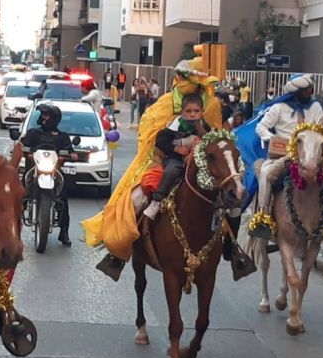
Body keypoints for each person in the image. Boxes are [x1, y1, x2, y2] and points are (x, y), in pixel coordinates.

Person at [84, 57, 222, 280]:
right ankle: (120, 250)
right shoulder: (166, 103)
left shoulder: (212, 104)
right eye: (182, 77)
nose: (183, 82)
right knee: (137, 197)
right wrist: (174, 151)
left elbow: (217, 136)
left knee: (228, 194)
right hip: (167, 161)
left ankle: (234, 249)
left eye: (188, 78)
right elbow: (153, 133)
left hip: (205, 163)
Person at [248, 74, 323, 240]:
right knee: (265, 173)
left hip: (310, 155)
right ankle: (263, 216)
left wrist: (316, 139)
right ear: (298, 91)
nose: (311, 92)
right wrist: (273, 139)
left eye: (310, 89)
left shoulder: (315, 108)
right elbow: (261, 127)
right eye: (308, 89)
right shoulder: (279, 107)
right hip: (285, 155)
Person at [143, 94, 209, 220]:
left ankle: (219, 209)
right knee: (171, 171)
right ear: (182, 112)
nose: (192, 114)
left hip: (198, 160)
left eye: (196, 111)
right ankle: (156, 201)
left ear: (202, 112)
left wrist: (199, 130)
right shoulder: (173, 126)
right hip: (176, 159)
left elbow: (209, 141)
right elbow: (161, 142)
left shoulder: (205, 127)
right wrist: (177, 149)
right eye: (188, 111)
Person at [19, 103, 77, 246]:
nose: (43, 118)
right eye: (42, 115)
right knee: (19, 195)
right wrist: (25, 152)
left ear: (54, 118)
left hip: (54, 172)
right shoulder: (34, 133)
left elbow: (71, 150)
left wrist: (70, 155)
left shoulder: (63, 137)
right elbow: (21, 145)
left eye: (46, 115)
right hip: (33, 170)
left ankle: (64, 232)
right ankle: (13, 227)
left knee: (63, 198)